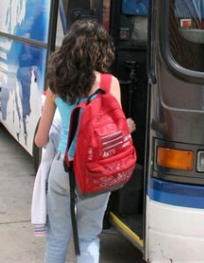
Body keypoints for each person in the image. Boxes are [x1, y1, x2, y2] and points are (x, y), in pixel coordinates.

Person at [34, 20, 136, 263]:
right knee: (88, 237)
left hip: (63, 168)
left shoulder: (56, 83)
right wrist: (129, 126)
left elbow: (40, 140)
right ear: (101, 50)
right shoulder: (109, 83)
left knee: (58, 237)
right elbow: (117, 133)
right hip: (96, 172)